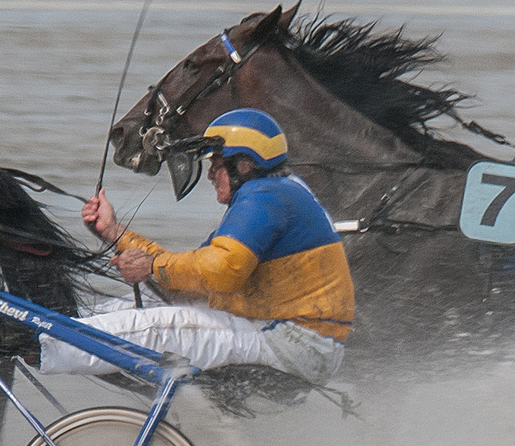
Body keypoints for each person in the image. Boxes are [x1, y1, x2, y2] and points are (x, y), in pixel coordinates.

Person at [39, 108, 353, 385]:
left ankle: (38, 342)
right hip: (287, 332)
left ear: (243, 165)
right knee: (149, 301)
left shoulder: (265, 197)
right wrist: (112, 231)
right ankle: (56, 323)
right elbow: (190, 276)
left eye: (216, 163)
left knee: (157, 328)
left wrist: (151, 267)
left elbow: (218, 274)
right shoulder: (276, 191)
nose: (210, 175)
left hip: (295, 341)